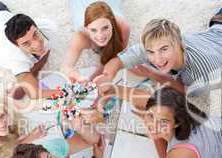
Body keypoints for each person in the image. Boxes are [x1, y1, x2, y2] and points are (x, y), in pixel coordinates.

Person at [94, 8, 222, 97]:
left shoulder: (200, 73)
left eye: (164, 49)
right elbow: (117, 61)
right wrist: (108, 76)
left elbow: (184, 92)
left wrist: (151, 73)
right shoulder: (158, 43)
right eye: (150, 52)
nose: (157, 60)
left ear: (179, 44)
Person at [141, 87, 222, 158]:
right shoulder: (179, 110)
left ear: (177, 123)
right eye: (151, 115)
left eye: (163, 121)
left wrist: (156, 137)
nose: (153, 125)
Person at [61, 0, 130, 83]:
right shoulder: (81, 36)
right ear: (86, 28)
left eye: (105, 28)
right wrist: (75, 75)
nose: (100, 36)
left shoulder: (123, 27)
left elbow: (114, 60)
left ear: (112, 23)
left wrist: (92, 80)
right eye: (93, 30)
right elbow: (65, 66)